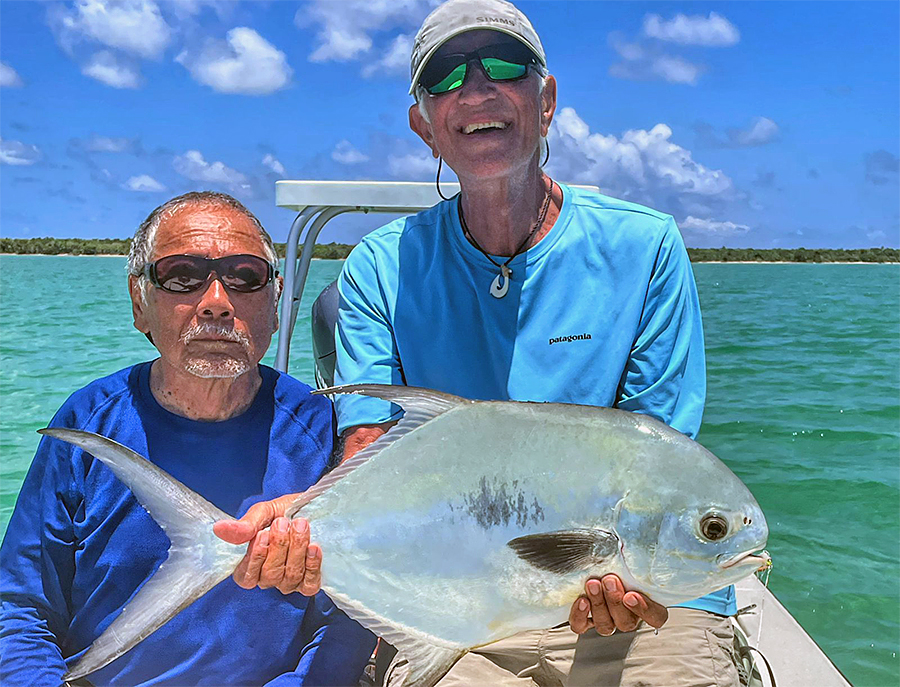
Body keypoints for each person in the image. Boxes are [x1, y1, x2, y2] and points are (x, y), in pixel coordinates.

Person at [219, 0, 746, 685]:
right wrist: (305, 523)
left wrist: (631, 578)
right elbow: (369, 447)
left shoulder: (645, 248)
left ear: (547, 99)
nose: (476, 88)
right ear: (423, 124)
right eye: (444, 76)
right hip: (454, 602)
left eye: (504, 65)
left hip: (647, 605)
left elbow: (656, 470)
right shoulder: (381, 267)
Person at [0, 191, 375, 686]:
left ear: (276, 302)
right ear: (140, 304)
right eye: (182, 276)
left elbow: (347, 624)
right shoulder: (88, 422)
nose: (217, 303)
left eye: (245, 277)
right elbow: (21, 608)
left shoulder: (325, 432)